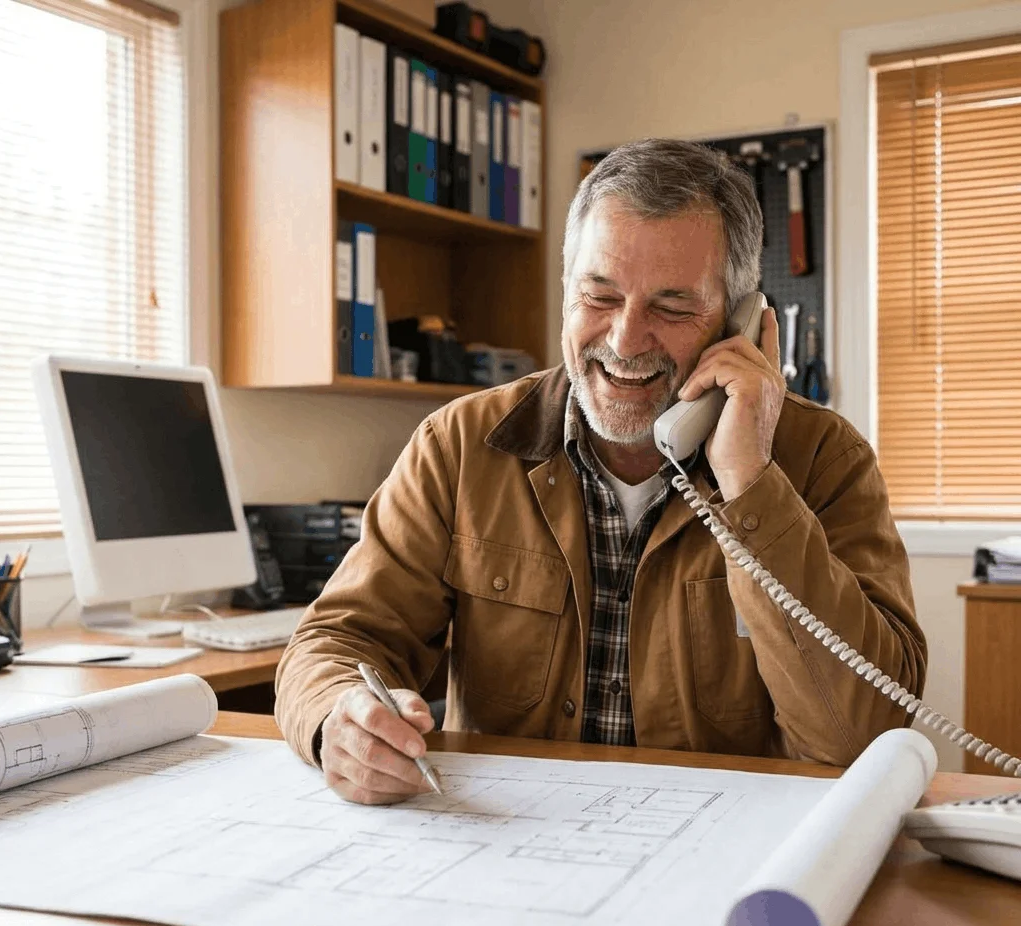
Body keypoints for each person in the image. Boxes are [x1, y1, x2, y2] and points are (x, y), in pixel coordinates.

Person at [276, 138, 927, 805]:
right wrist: (339, 718)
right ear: (567, 292)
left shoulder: (826, 461)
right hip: (512, 838)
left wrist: (751, 484)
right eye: (600, 296)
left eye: (672, 307)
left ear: (740, 325)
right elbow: (336, 641)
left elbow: (862, 736)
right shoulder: (460, 445)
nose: (623, 339)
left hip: (726, 843)